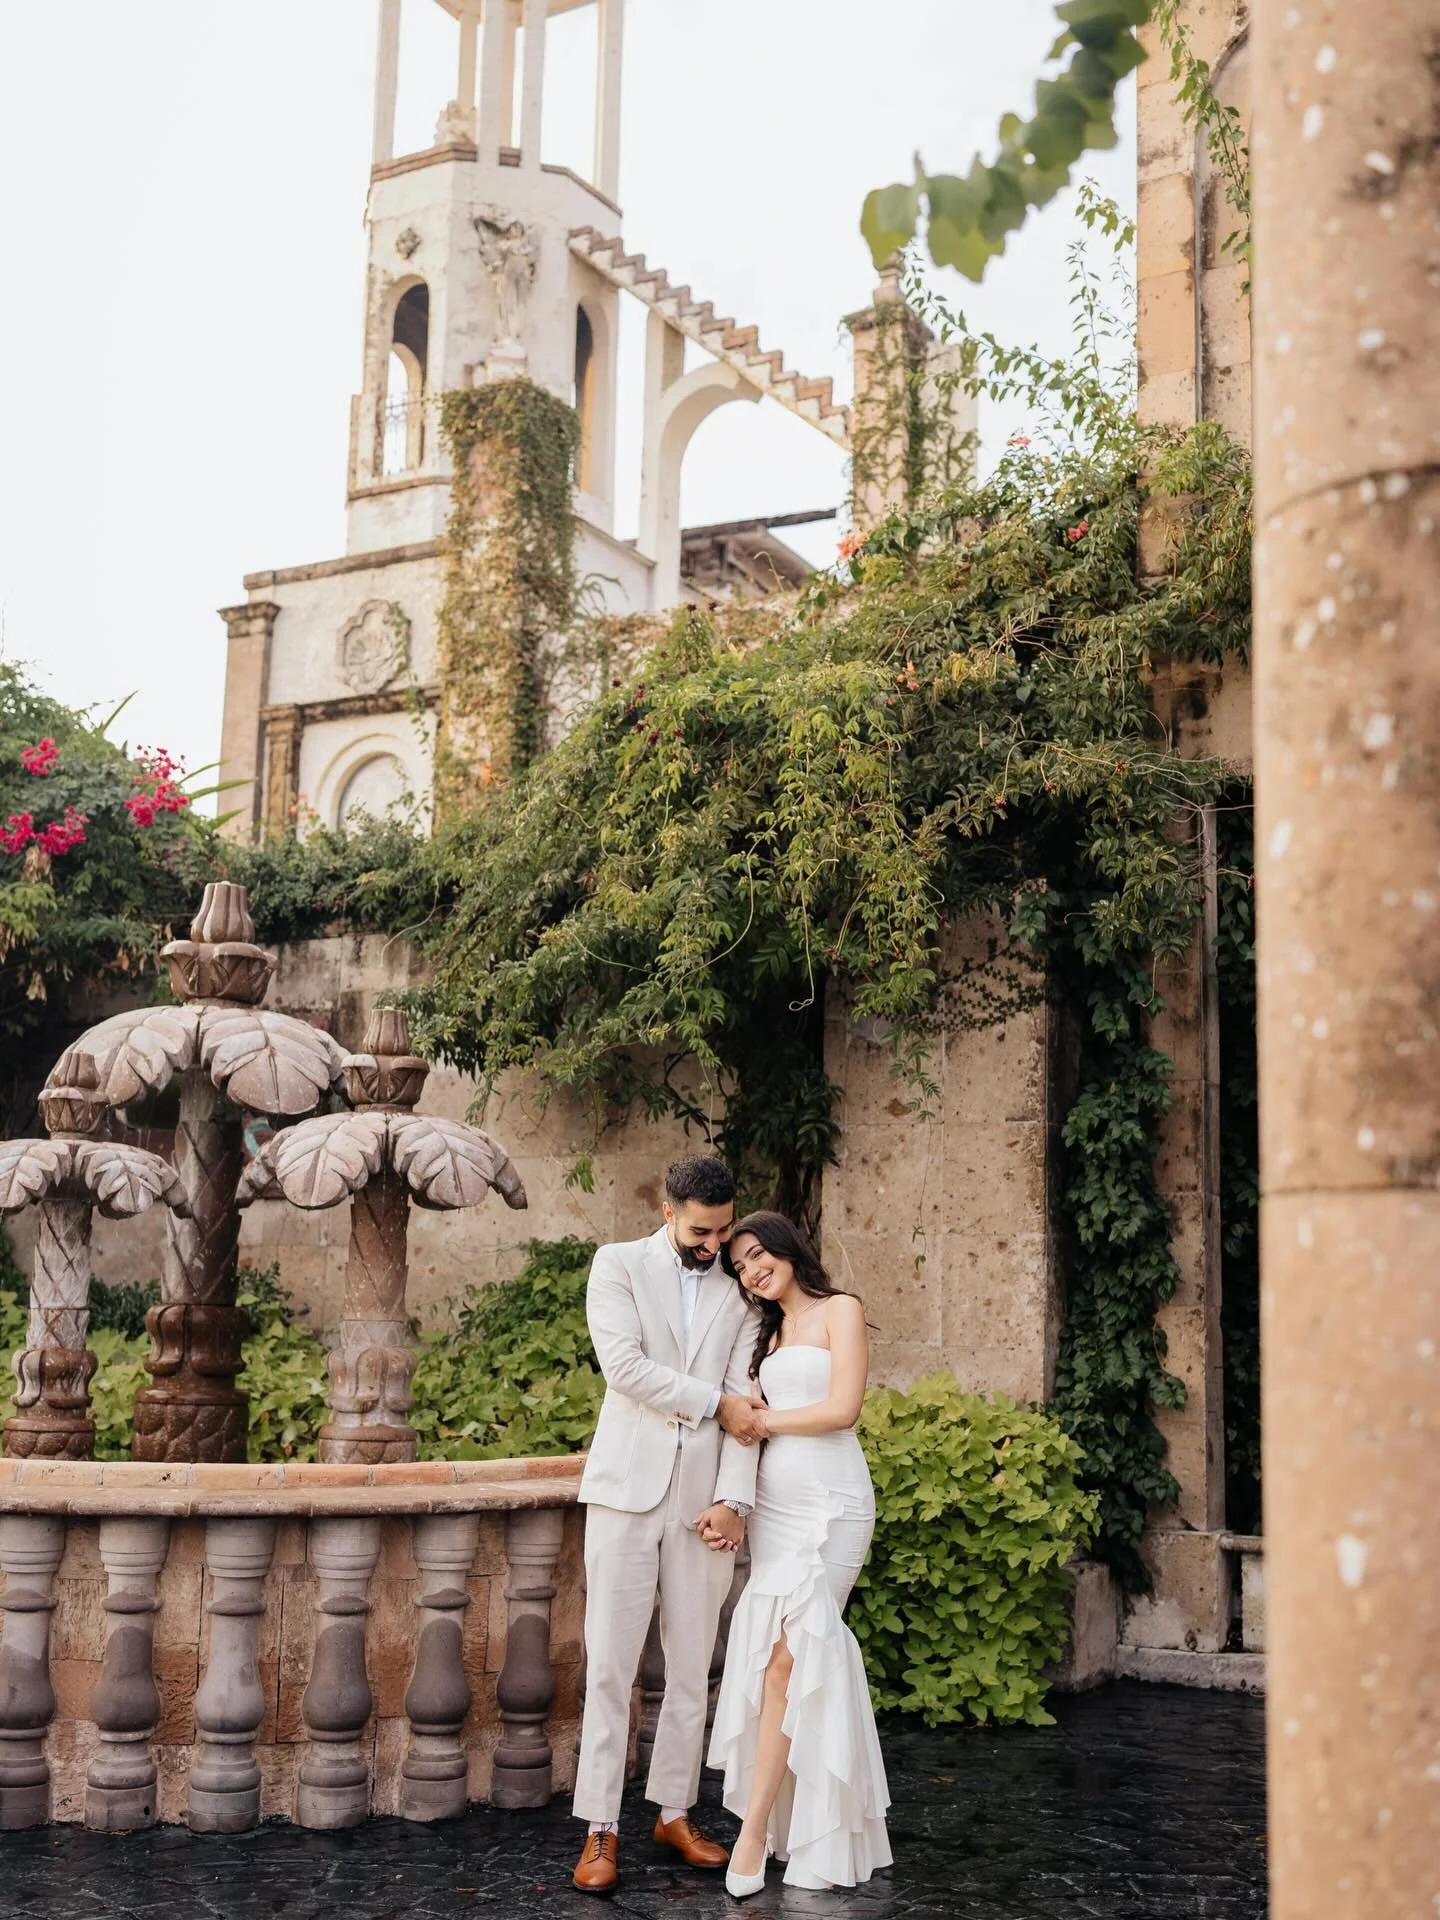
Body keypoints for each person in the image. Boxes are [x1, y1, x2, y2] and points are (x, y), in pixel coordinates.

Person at [570, 1154, 767, 1895]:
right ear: (666, 1211)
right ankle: (601, 1828)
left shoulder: (741, 1294)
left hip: (703, 1505)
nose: (714, 1245)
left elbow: (751, 1400)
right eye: (701, 1230)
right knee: (612, 1668)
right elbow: (623, 1368)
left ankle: (675, 1812)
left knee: (692, 1668)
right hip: (624, 1495)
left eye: (722, 1232)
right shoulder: (616, 1267)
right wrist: (714, 1405)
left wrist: (736, 1500)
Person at [706, 1210, 892, 1897]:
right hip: (778, 1513)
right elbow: (738, 1428)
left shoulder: (841, 1309)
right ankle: (784, 1823)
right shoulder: (765, 1334)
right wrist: (735, 1501)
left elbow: (843, 1409)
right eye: (741, 1266)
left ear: (787, 1249)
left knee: (792, 1657)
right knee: (772, 1668)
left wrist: (760, 1419)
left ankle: (753, 1834)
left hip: (835, 1504)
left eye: (757, 1255)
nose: (753, 1270)